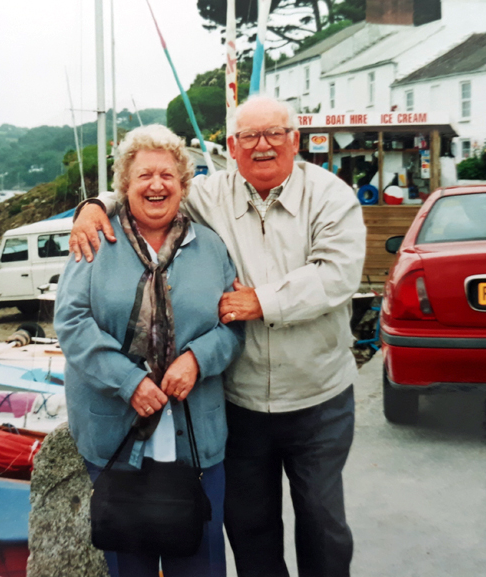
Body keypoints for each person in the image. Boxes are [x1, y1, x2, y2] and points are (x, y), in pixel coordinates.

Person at [70, 95, 367, 577]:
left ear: (295, 140)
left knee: (322, 521)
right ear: (232, 146)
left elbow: (337, 275)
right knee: (250, 528)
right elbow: (148, 185)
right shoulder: (211, 194)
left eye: (274, 133)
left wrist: (261, 302)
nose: (262, 145)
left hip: (317, 398)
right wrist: (92, 206)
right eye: (249, 136)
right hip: (243, 402)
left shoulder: (330, 196)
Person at [54, 124, 244, 577]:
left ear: (183, 184)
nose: (156, 185)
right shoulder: (95, 240)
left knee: (200, 563)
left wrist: (197, 359)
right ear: (125, 185)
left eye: (167, 175)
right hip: (115, 441)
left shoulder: (211, 247)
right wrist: (129, 381)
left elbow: (234, 325)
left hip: (196, 439)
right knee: (128, 565)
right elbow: (71, 322)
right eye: (144, 175)